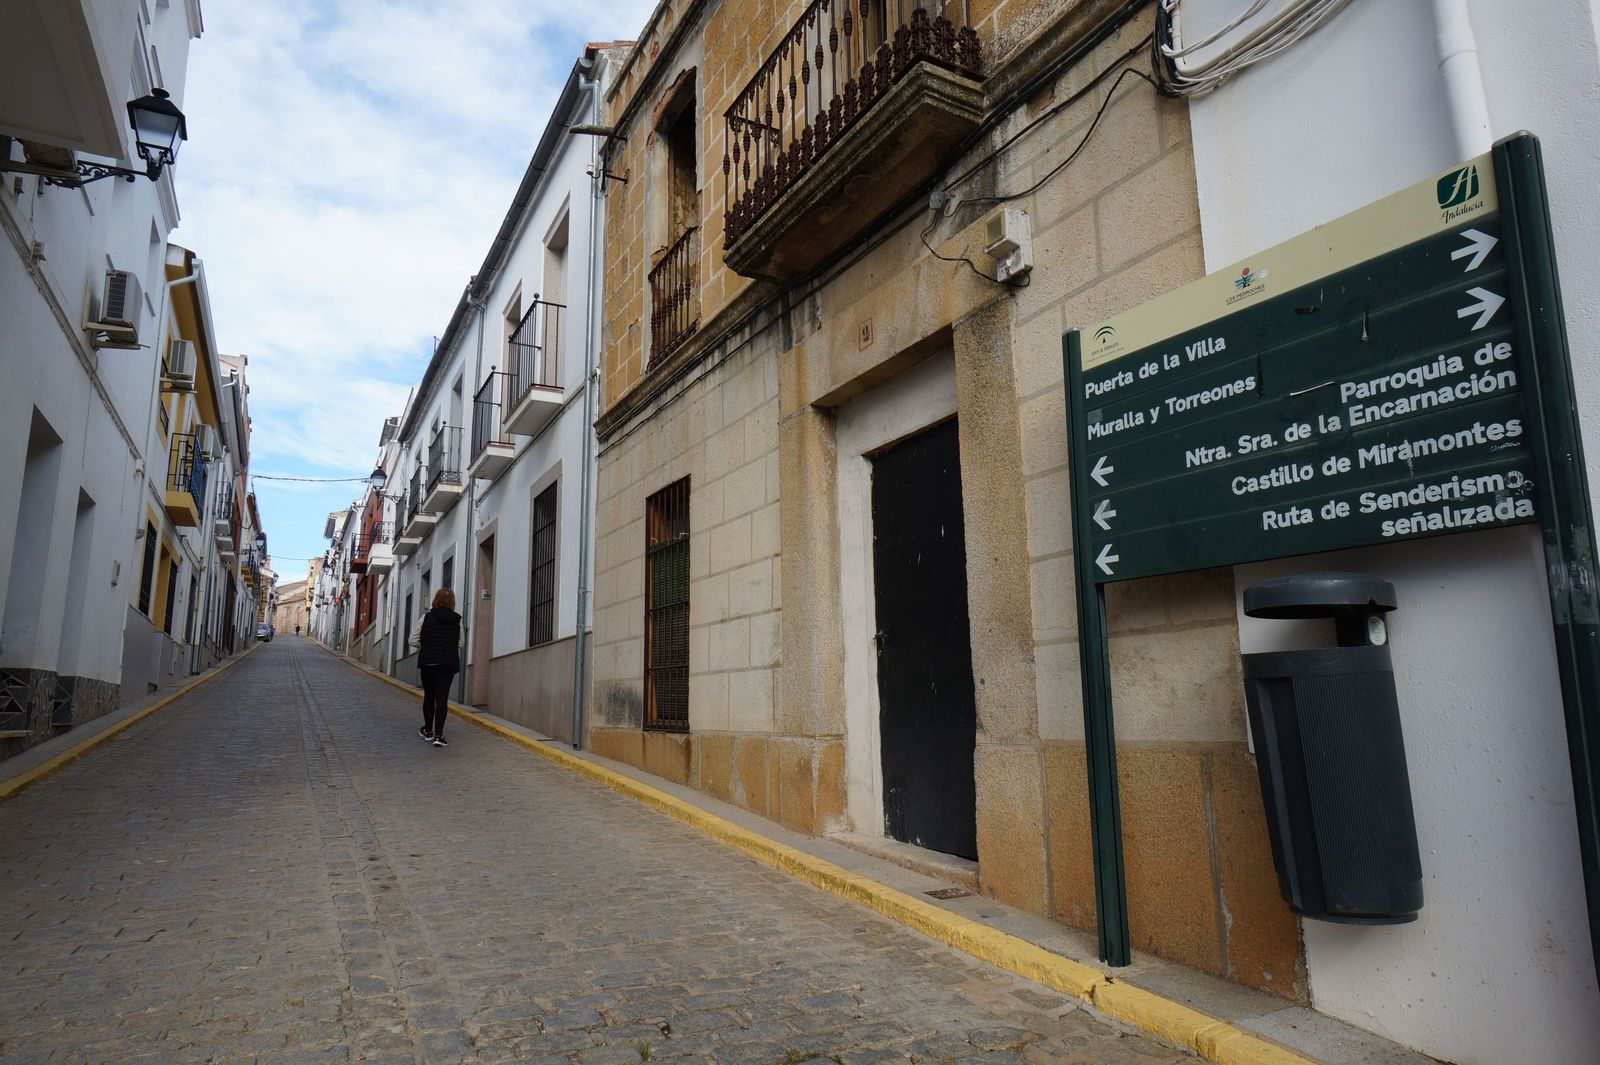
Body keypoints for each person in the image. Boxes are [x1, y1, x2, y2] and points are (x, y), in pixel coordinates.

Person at [413, 588, 462, 748]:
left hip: (429, 661)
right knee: (442, 698)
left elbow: (412, 639)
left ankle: (427, 730)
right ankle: (439, 736)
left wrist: (427, 645)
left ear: (436, 599)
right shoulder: (457, 620)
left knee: (429, 696)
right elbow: (460, 643)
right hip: (447, 663)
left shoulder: (426, 617)